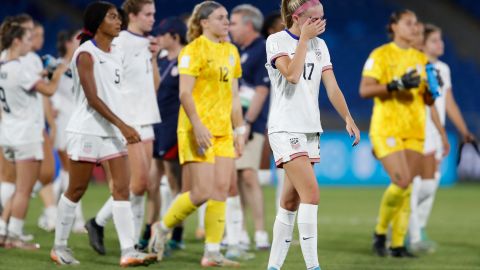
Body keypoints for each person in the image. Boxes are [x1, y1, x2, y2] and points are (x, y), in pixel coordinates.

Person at [50, 2, 156, 266]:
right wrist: (123, 125)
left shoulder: (115, 52)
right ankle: (59, 246)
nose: (118, 21)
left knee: (123, 189)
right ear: (98, 23)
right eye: (112, 17)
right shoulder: (86, 53)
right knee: (76, 189)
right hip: (87, 130)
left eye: (119, 17)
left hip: (110, 131)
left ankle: (128, 251)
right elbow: (92, 98)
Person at [149, 1, 245, 267]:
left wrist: (240, 128)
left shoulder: (231, 51)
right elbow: (184, 93)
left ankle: (212, 253)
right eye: (220, 18)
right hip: (196, 128)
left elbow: (235, 96)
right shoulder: (193, 50)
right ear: (204, 22)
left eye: (227, 18)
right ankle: (162, 226)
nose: (226, 22)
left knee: (221, 190)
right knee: (201, 192)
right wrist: (198, 125)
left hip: (224, 130)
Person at [266, 1, 360, 269]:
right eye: (315, 19)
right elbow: (293, 76)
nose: (322, 22)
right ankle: (313, 266)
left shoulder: (321, 45)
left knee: (290, 201)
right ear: (298, 17)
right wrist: (304, 41)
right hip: (286, 127)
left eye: (323, 17)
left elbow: (332, 87)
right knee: (312, 194)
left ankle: (273, 267)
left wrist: (347, 117)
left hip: (309, 128)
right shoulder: (277, 40)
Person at [359, 9, 447, 258]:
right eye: (408, 23)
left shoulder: (421, 60)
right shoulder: (381, 54)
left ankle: (397, 245)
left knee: (408, 187)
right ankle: (379, 232)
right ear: (394, 27)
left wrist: (432, 89)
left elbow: (428, 101)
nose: (414, 27)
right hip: (387, 128)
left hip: (415, 131)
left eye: (416, 23)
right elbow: (364, 90)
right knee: (402, 181)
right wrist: (395, 84)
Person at [85, 0, 161, 256]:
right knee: (137, 183)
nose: (152, 19)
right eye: (147, 14)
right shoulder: (121, 43)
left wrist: (152, 59)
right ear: (132, 15)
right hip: (129, 120)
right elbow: (109, 83)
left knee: (142, 187)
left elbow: (154, 86)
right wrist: (119, 121)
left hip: (147, 117)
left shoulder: (146, 44)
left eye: (154, 14)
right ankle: (99, 223)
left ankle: (134, 245)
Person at [0, 16, 67, 249]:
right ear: (17, 41)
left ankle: (3, 232)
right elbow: (48, 91)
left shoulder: (3, 65)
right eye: (28, 39)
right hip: (26, 134)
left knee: (15, 184)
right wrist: (58, 72)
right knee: (23, 189)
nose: (31, 44)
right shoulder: (20, 67)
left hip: (8, 132)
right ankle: (14, 236)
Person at [408, 23, 475, 253]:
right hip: (416, 133)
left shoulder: (443, 69)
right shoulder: (413, 66)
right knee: (417, 184)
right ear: (423, 44)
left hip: (437, 134)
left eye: (441, 39)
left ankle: (416, 225)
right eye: (435, 40)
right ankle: (413, 235)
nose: (441, 44)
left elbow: (449, 102)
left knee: (431, 185)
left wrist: (463, 129)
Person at [138, 16, 188, 251]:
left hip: (174, 127)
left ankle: (174, 232)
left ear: (174, 36)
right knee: (152, 182)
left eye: (162, 34)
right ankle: (149, 229)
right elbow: (152, 89)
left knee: (174, 180)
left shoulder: (186, 59)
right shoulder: (159, 61)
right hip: (156, 125)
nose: (157, 38)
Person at [228, 3, 270, 254]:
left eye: (233, 23)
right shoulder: (236, 50)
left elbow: (262, 89)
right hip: (235, 122)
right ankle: (240, 231)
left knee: (248, 175)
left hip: (250, 124)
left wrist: (247, 123)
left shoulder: (262, 48)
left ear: (249, 25)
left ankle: (260, 232)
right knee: (235, 177)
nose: (229, 27)